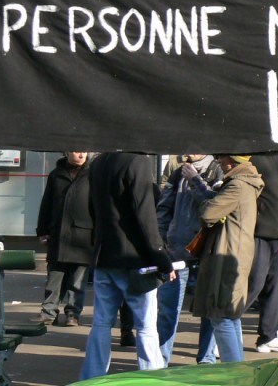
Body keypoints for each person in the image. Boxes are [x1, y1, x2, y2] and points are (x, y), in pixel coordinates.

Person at [80, 153, 176, 381]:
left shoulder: (98, 162)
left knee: (101, 323)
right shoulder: (137, 161)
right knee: (146, 326)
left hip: (105, 254)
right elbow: (145, 215)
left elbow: (92, 208)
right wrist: (162, 258)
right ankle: (152, 379)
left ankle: (92, 377)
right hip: (135, 260)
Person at [193, 155, 264, 362]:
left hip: (227, 255)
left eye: (222, 160)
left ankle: (235, 373)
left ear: (232, 163)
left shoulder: (237, 186)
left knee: (221, 315)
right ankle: (238, 371)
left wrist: (207, 201)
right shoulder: (245, 184)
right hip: (235, 253)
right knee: (229, 316)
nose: (220, 164)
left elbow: (208, 213)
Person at [155, 153, 221, 365]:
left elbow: (214, 208)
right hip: (176, 252)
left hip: (206, 252)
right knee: (168, 310)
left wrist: (195, 179)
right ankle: (160, 361)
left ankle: (206, 360)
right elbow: (164, 207)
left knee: (209, 312)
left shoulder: (216, 170)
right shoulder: (178, 172)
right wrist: (163, 239)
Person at [246, 153, 278, 354]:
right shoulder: (253, 158)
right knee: (253, 285)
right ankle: (221, 331)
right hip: (259, 232)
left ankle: (270, 335)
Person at [34, 151, 92, 327]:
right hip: (59, 233)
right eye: (77, 150)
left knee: (78, 281)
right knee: (54, 276)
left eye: (85, 150)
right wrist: (42, 230)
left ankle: (73, 314)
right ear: (67, 152)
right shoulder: (56, 174)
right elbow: (47, 203)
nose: (82, 154)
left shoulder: (93, 174)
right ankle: (48, 313)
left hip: (84, 235)